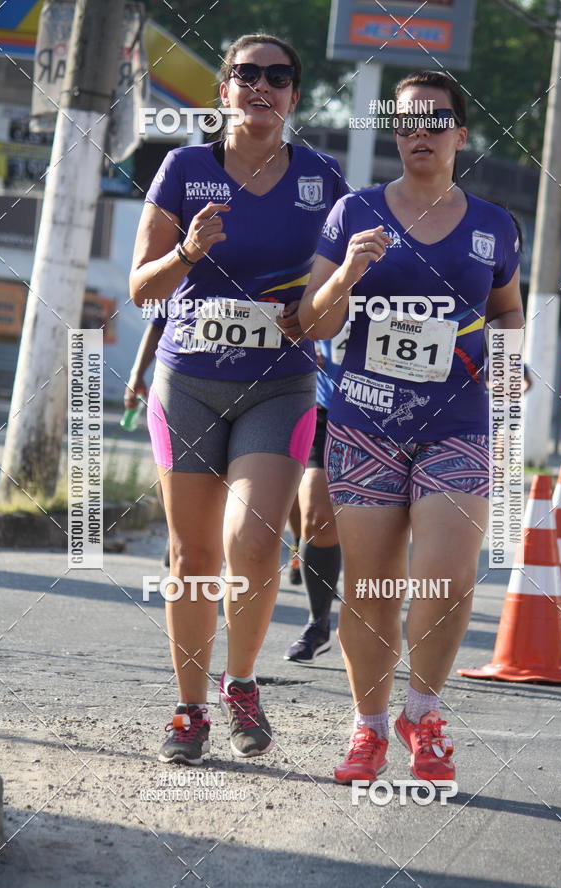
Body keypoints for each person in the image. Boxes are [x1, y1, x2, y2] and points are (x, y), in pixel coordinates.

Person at [299, 70, 523, 784]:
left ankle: (423, 715)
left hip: (457, 421)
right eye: (405, 122)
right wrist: (347, 274)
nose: (418, 132)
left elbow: (509, 312)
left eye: (434, 120)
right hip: (365, 420)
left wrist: (509, 362)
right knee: (371, 586)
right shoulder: (353, 213)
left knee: (450, 579)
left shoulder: (494, 225)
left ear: (462, 133)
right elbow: (313, 320)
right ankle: (367, 728)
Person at [129, 33, 347, 765]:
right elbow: (140, 288)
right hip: (187, 379)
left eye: (276, 76)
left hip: (279, 383)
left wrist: (311, 309)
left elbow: (337, 297)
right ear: (224, 90)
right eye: (245, 75)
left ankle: (242, 682)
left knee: (253, 545)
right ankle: (189, 708)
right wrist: (187, 252)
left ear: (294, 94)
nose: (260, 86)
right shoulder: (185, 168)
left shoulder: (323, 177)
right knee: (192, 554)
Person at [283, 333, 347, 663]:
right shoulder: (324, 277)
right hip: (328, 407)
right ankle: (318, 623)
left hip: (395, 413)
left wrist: (504, 357)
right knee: (317, 519)